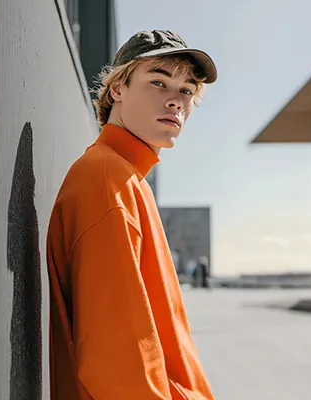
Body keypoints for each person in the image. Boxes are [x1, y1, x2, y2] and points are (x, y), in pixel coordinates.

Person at [46, 30, 218, 400]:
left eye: (187, 90)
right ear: (117, 89)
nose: (175, 101)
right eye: (158, 82)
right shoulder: (107, 178)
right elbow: (118, 362)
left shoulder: (127, 178)